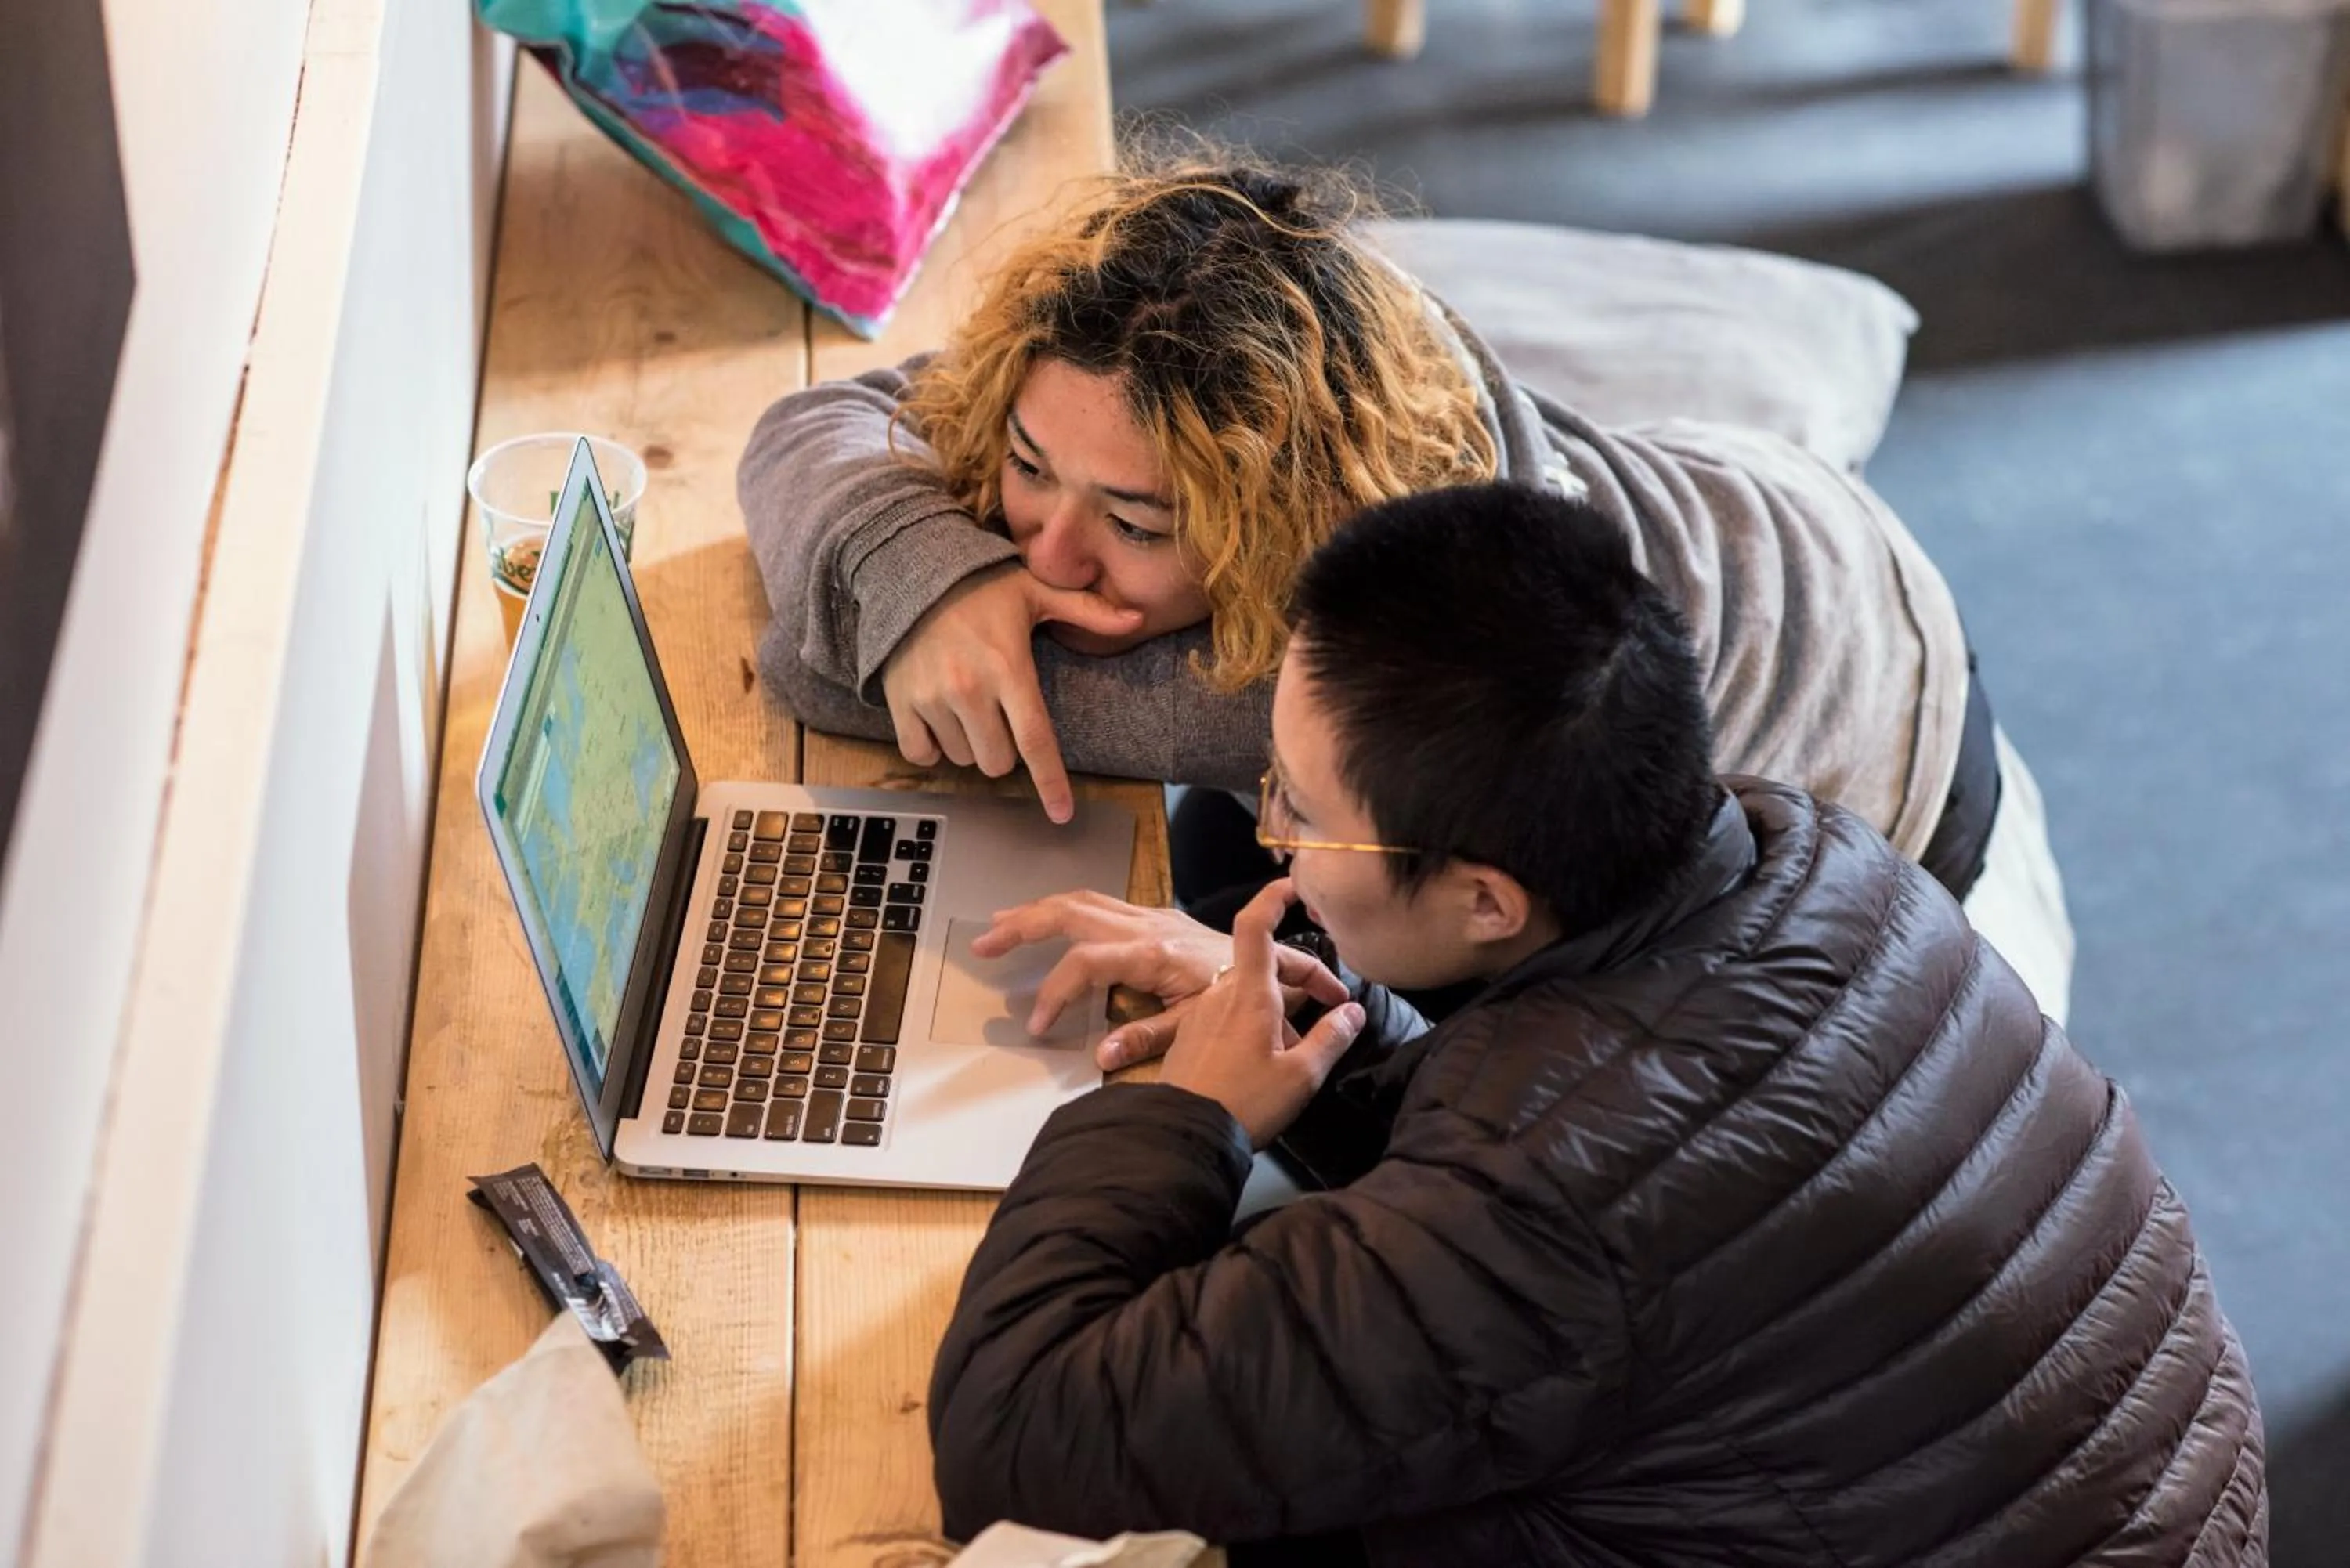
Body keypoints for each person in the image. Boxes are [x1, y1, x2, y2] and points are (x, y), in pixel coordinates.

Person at [924, 483, 2265, 1567]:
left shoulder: (1541, 1211)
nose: (1270, 829)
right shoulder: (1817, 856)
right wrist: (1333, 1031)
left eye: (1303, 809)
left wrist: (1186, 1114)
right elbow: (1639, 1116)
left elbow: (1010, 1424)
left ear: (1489, 898)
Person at [738, 150, 2073, 1021]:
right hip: (1747, 501)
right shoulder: (1274, 381)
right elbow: (820, 419)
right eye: (1031, 466)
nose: (1045, 555)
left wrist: (907, 591)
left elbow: (812, 662)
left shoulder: (1321, 661)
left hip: (1874, 716)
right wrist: (920, 569)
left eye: (1138, 523)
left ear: (1282, 511)